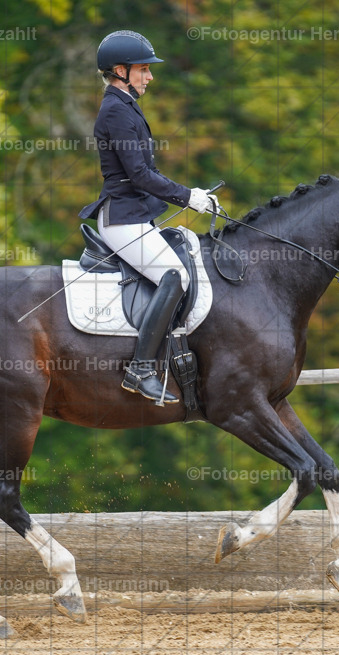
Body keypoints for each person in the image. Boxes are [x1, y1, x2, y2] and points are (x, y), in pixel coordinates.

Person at [80, 30, 216, 405]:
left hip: (135, 214)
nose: (150, 77)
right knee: (175, 276)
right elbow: (140, 174)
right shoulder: (115, 110)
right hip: (123, 219)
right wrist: (189, 197)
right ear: (120, 70)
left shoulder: (124, 105)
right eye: (143, 69)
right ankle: (140, 370)